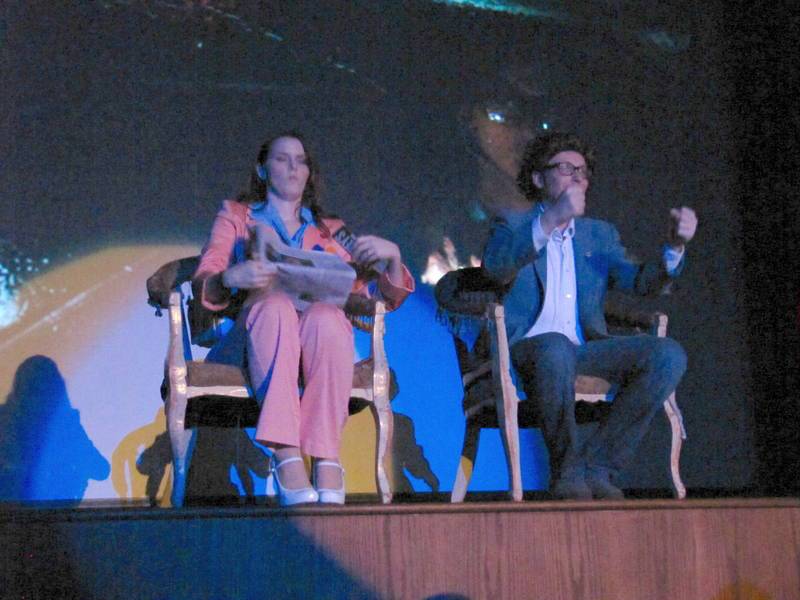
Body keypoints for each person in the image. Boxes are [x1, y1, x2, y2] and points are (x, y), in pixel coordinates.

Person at [193, 131, 414, 506]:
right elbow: (206, 279)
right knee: (275, 305)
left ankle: (327, 456)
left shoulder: (332, 231)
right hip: (251, 339)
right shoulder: (236, 216)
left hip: (313, 341)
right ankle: (286, 454)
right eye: (282, 159)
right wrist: (231, 277)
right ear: (262, 170)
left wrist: (393, 257)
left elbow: (379, 299)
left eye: (301, 161)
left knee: (327, 316)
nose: (293, 168)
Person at [481, 131, 698, 500]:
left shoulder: (598, 235)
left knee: (667, 355)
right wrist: (552, 219)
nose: (578, 178)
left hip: (581, 349)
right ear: (539, 179)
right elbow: (496, 269)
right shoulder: (513, 225)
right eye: (566, 169)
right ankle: (567, 472)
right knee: (553, 347)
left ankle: (598, 467)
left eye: (583, 171)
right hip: (526, 350)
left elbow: (639, 281)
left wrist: (674, 247)